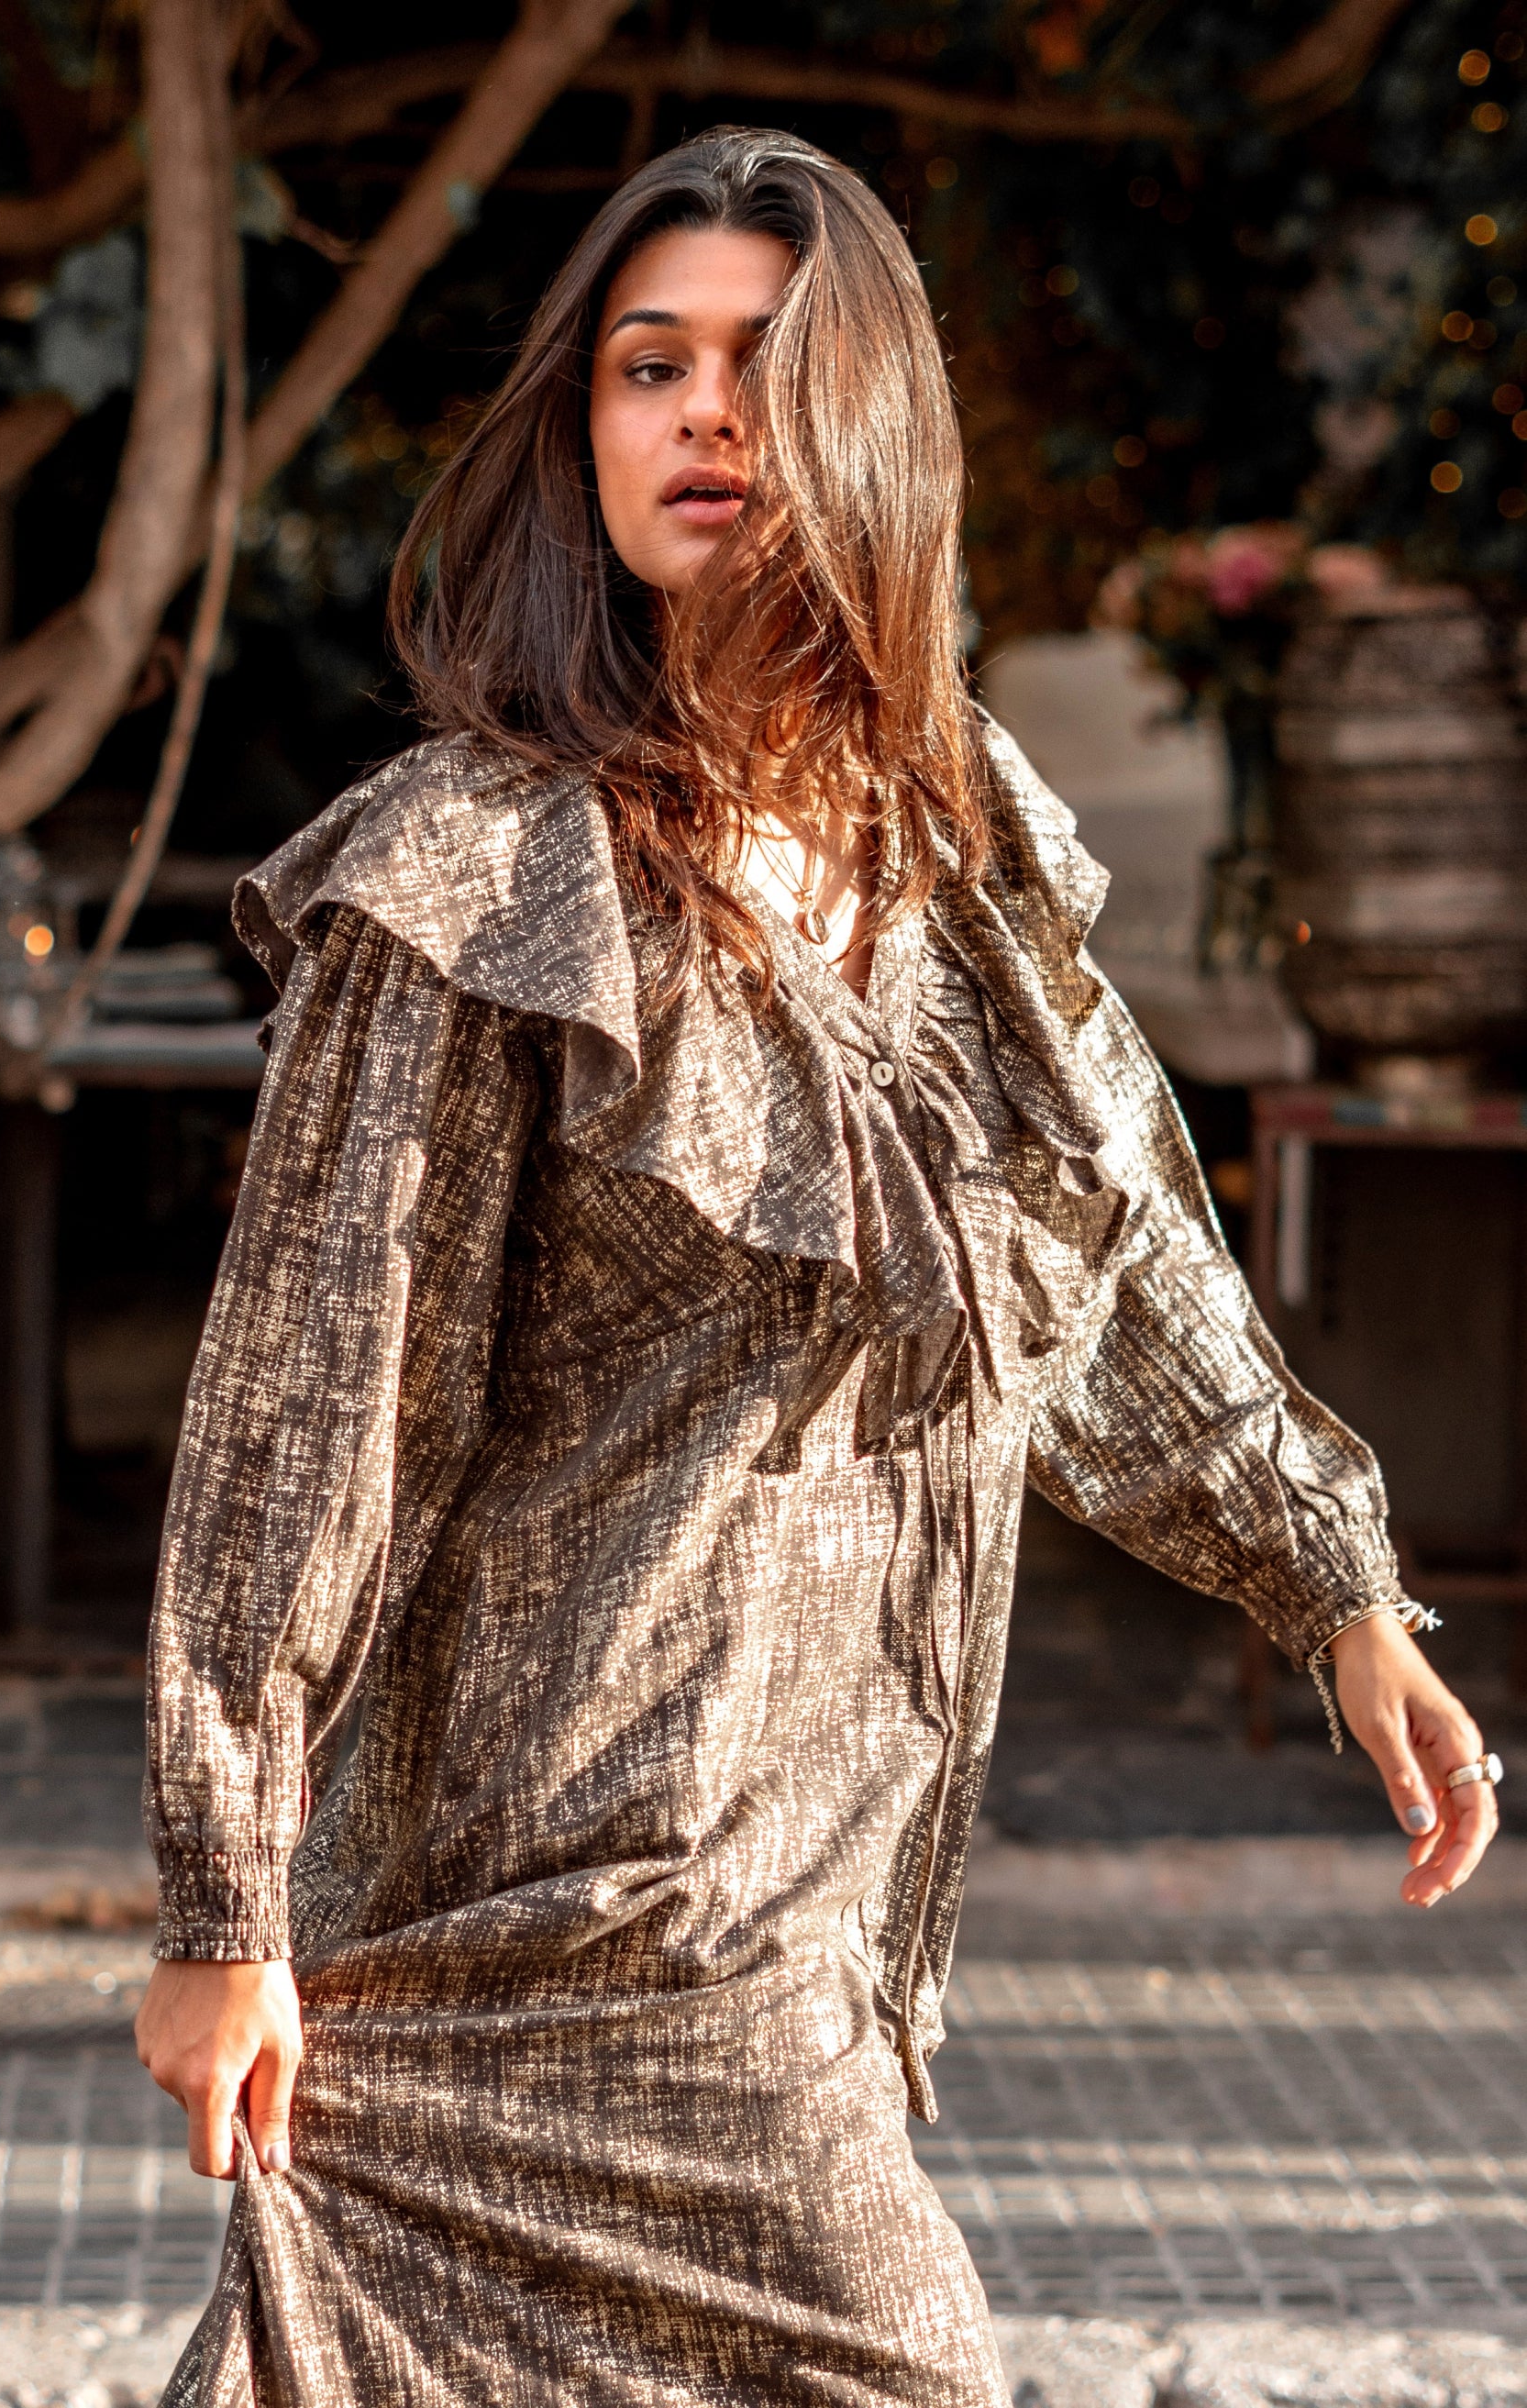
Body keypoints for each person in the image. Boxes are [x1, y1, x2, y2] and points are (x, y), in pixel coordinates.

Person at [135, 127, 1500, 2408]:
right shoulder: (482, 876)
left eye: (763, 366)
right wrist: (222, 1896)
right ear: (581, 428)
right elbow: (309, 1410)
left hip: (830, 1896)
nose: (701, 414)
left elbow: (1113, 1253)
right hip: (564, 1899)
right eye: (645, 364)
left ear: (874, 420)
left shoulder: (952, 845)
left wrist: (1331, 1582)